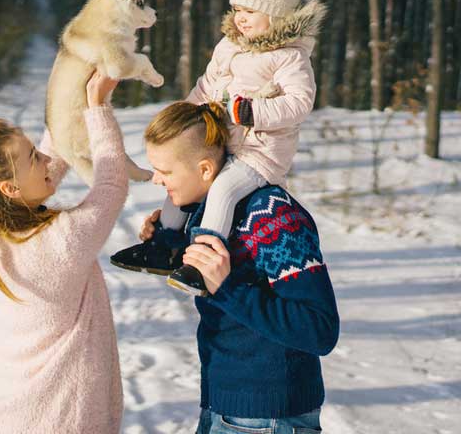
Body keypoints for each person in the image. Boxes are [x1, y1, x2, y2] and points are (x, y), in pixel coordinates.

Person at [111, 0, 328, 296]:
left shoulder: (290, 57)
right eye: (238, 9)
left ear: (277, 15)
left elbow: (299, 103)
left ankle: (201, 262)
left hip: (261, 153)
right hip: (222, 142)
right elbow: (207, 85)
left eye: (251, 11)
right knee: (182, 179)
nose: (241, 18)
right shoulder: (228, 47)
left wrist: (252, 112)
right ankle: (165, 244)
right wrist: (186, 113)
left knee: (223, 188)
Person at [0, 71, 127, 434]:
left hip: (1, 417)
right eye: (33, 157)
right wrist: (97, 107)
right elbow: (112, 184)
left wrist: (70, 104)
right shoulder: (63, 242)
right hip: (58, 423)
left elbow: (46, 170)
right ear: (8, 188)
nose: (45, 161)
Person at [139, 100, 339, 433]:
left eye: (166, 170)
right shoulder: (210, 213)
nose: (157, 180)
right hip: (224, 406)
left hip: (268, 417)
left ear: (204, 169)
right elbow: (232, 261)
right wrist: (164, 241)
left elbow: (320, 330)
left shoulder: (274, 217)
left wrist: (227, 288)